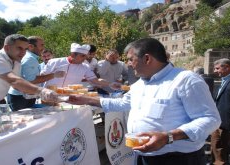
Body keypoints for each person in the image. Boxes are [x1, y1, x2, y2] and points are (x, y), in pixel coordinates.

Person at [67, 38, 221, 165]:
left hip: (178, 159)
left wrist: (168, 136)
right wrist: (87, 100)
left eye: (130, 59)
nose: (127, 64)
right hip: (141, 156)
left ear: (147, 58)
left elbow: (210, 119)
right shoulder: (140, 84)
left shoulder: (186, 80)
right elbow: (123, 103)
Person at [0, 34, 58, 104]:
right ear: (7, 48)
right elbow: (14, 80)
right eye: (19, 48)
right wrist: (41, 91)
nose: (23, 52)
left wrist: (56, 96)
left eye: (25, 49)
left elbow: (17, 86)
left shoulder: (16, 61)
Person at [7, 36, 64, 111]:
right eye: (41, 45)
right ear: (31, 46)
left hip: (23, 96)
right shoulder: (30, 59)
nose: (43, 48)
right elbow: (32, 80)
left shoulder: (30, 58)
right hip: (21, 98)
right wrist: (54, 75)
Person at [40, 43, 118, 89]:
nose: (85, 59)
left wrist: (110, 84)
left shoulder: (85, 67)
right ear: (73, 54)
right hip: (50, 96)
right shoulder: (55, 62)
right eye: (83, 56)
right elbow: (41, 77)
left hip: (70, 98)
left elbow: (96, 80)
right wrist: (53, 75)